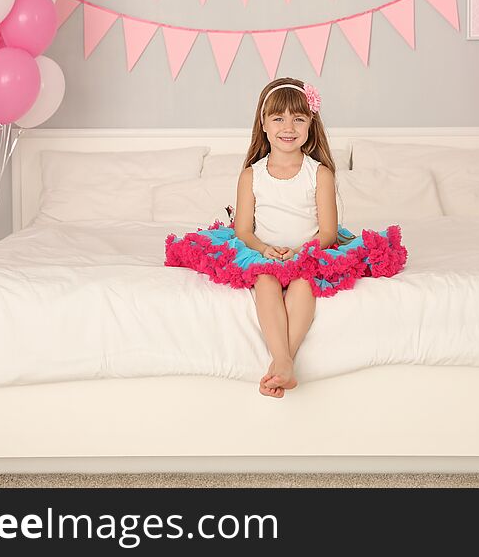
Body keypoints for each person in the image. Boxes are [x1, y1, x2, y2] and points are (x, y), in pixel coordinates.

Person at [165, 77, 408, 398]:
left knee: (303, 283)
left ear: (310, 125)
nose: (288, 126)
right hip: (261, 252)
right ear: (263, 124)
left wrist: (299, 252)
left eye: (298, 118)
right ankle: (284, 361)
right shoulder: (252, 174)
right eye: (278, 118)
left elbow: (328, 232)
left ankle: (282, 360)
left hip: (308, 252)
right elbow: (243, 230)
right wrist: (264, 249)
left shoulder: (319, 173)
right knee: (265, 281)